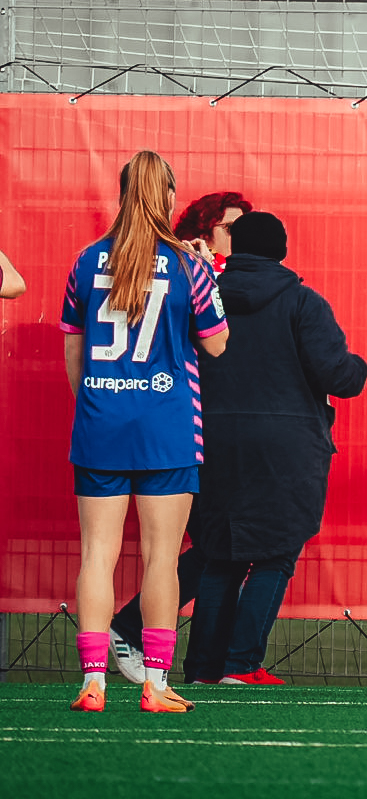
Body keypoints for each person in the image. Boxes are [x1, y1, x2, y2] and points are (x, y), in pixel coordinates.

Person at [59, 150, 229, 713]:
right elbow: (217, 343)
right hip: (168, 425)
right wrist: (210, 274)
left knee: (97, 554)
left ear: (123, 193)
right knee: (162, 557)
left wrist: (99, 404)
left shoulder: (86, 260)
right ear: (169, 197)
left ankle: (94, 682)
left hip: (101, 424)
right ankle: (155, 683)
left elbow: (74, 353)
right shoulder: (187, 265)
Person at [183, 212, 367, 684]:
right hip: (288, 449)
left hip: (211, 441)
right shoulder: (303, 302)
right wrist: (359, 366)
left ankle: (203, 669)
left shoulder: (201, 299)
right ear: (281, 250)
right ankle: (241, 664)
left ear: (235, 248)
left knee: (219, 554)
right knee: (276, 553)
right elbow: (339, 377)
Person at [107, 189, 254, 683]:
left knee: (220, 543)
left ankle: (207, 662)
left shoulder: (227, 275)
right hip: (182, 421)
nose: (238, 238)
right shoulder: (184, 270)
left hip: (221, 423)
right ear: (204, 231)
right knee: (206, 543)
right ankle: (136, 632)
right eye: (231, 228)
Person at [175, 191, 253, 274]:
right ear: (203, 235)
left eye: (244, 229)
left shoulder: (250, 270)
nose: (239, 235)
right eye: (231, 228)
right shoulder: (183, 269)